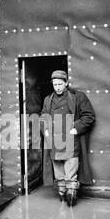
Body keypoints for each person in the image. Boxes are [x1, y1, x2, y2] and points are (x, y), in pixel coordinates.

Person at [40, 70, 95, 206]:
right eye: (55, 84)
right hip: (54, 140)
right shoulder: (48, 99)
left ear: (66, 83)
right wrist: (45, 130)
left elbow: (89, 116)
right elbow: (42, 118)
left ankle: (71, 194)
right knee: (58, 171)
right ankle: (62, 192)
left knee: (71, 171)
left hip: (71, 140)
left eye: (60, 84)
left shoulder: (78, 97)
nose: (57, 87)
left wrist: (76, 128)